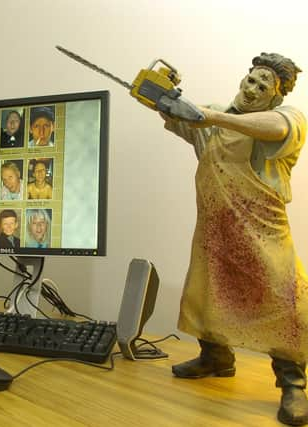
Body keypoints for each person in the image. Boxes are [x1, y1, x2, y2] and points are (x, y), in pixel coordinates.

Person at [160, 53, 307, 426]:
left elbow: (276, 128)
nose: (251, 88)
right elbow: (181, 118)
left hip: (262, 230)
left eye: (263, 85)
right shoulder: (210, 116)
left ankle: (293, 383)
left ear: (275, 97)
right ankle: (216, 357)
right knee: (205, 291)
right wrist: (161, 97)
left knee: (282, 301)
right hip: (215, 228)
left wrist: (214, 117)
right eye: (251, 79)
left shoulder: (287, 117)